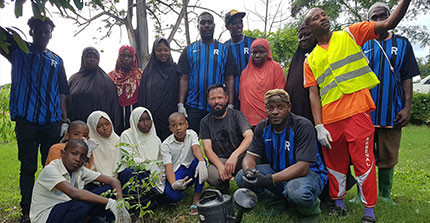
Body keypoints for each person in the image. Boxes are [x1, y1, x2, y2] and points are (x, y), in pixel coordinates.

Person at [303, 1, 412, 222]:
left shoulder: (350, 34)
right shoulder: (311, 59)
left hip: (358, 113)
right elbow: (313, 94)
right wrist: (319, 125)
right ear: (309, 28)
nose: (323, 18)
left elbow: (390, 22)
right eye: (316, 17)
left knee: (364, 162)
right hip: (331, 119)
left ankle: (369, 211)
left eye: (324, 14)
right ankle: (339, 204)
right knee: (335, 165)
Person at [348, 2, 420, 206]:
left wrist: (407, 108)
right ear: (368, 21)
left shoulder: (403, 43)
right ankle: (360, 194)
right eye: (374, 17)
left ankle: (385, 195)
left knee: (388, 154)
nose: (379, 21)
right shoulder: (360, 44)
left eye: (383, 16)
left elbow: (407, 77)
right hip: (363, 112)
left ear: (391, 17)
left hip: (392, 110)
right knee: (362, 155)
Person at [0, 17, 69, 222]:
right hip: (26, 120)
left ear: (51, 34)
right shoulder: (18, 51)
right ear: (31, 32)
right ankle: (27, 210)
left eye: (47, 32)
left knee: (51, 166)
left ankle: (49, 205)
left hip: (51, 121)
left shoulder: (57, 60)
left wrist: (64, 120)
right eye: (38, 31)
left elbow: (63, 92)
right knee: (28, 166)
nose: (43, 35)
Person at [236, 89, 327, 222]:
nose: (275, 112)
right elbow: (250, 157)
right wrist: (250, 171)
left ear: (289, 107)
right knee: (241, 177)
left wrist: (269, 179)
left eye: (280, 107)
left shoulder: (302, 126)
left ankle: (310, 213)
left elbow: (303, 167)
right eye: (270, 108)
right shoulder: (262, 127)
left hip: (309, 174)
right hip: (278, 171)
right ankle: (276, 203)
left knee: (296, 191)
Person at [30, 139, 130, 223]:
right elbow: (74, 193)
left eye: (82, 157)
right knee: (82, 204)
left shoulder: (79, 170)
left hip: (67, 208)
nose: (78, 159)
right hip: (46, 216)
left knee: (108, 190)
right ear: (63, 153)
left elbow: (114, 181)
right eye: (74, 153)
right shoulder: (51, 169)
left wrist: (120, 205)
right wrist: (110, 203)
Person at [177, 11, 238, 133]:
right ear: (198, 26)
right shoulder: (189, 50)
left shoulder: (224, 50)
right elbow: (184, 78)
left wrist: (230, 104)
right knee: (195, 142)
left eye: (209, 22)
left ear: (214, 26)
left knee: (218, 142)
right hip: (193, 106)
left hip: (218, 106)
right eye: (202, 22)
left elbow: (229, 79)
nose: (206, 25)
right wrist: (180, 104)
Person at [200, 84, 253, 194]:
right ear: (208, 101)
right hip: (221, 159)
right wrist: (220, 167)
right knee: (211, 175)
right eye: (212, 98)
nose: (216, 101)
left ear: (226, 98)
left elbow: (249, 136)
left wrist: (234, 155)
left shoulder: (237, 115)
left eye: (219, 97)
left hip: (239, 157)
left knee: (250, 166)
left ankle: (249, 189)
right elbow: (207, 149)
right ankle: (223, 189)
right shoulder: (205, 122)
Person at [160, 112, 208, 215]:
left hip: (191, 168)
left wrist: (202, 162)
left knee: (200, 162)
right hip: (176, 172)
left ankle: (196, 198)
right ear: (170, 128)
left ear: (187, 124)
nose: (178, 128)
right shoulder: (166, 145)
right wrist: (173, 184)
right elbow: (168, 166)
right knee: (172, 196)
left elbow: (196, 148)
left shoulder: (192, 134)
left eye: (181, 124)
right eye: (174, 125)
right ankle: (180, 190)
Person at [67, 47, 121, 133]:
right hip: (78, 129)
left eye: (95, 57)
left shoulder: (107, 81)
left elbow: (114, 107)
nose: (92, 59)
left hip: (100, 130)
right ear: (83, 58)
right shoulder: (74, 79)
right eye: (89, 56)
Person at [115, 107, 164, 201]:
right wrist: (148, 164)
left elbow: (161, 161)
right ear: (134, 121)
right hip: (133, 172)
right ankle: (133, 200)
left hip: (152, 174)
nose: (146, 124)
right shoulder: (127, 135)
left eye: (148, 119)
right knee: (132, 172)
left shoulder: (155, 139)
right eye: (141, 120)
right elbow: (128, 158)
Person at [139, 37, 180, 141]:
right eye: (159, 50)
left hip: (171, 116)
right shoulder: (148, 72)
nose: (163, 53)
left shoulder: (175, 69)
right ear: (154, 52)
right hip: (153, 118)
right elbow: (142, 95)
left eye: (166, 50)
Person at [239, 38, 286, 127]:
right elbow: (242, 98)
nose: (257, 55)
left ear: (267, 53)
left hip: (270, 121)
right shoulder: (244, 73)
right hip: (248, 124)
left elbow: (280, 94)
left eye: (261, 52)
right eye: (254, 52)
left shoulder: (276, 68)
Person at [285, 23, 317, 123]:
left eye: (307, 34)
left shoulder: (320, 55)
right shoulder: (296, 60)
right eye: (300, 37)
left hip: (316, 113)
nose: (303, 39)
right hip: (296, 114)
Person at [223, 9, 255, 108]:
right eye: (235, 23)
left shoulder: (253, 43)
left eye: (240, 22)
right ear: (228, 26)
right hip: (232, 97)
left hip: (252, 94)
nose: (239, 25)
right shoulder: (224, 48)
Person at [108, 46, 142, 132]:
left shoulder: (140, 76)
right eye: (123, 56)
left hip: (135, 112)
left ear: (134, 58)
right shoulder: (110, 76)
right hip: (116, 113)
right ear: (119, 57)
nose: (126, 59)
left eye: (129, 56)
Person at [87, 111, 121, 178]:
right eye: (99, 126)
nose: (105, 128)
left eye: (107, 124)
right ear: (93, 128)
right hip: (97, 181)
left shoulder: (119, 140)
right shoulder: (91, 145)